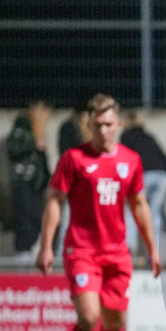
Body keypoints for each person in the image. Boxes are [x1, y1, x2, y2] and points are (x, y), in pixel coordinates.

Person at [36, 93, 162, 331]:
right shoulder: (73, 159)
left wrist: (152, 248)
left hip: (117, 253)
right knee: (90, 317)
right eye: (97, 124)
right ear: (88, 124)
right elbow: (55, 201)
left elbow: (139, 205)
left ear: (118, 124)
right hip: (81, 251)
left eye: (108, 124)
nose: (103, 130)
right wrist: (46, 246)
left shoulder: (130, 160)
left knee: (115, 321)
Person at [5, 100, 52, 261]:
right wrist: (34, 145)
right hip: (24, 181)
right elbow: (13, 149)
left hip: (36, 183)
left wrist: (47, 178)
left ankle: (28, 248)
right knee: (24, 214)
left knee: (35, 216)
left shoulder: (38, 130)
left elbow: (42, 159)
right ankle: (22, 250)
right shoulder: (23, 125)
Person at [120, 111, 166, 260]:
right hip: (159, 176)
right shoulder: (149, 137)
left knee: (133, 211)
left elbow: (124, 160)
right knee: (155, 218)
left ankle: (130, 249)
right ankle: (156, 254)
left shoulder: (126, 137)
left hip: (142, 175)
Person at [53, 105, 92, 257]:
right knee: (68, 216)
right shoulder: (70, 129)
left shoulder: (86, 130)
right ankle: (60, 253)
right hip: (73, 180)